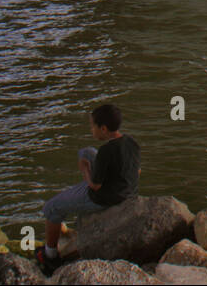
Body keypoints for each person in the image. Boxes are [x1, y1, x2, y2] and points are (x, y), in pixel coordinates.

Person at [38, 103, 140, 276]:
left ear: (104, 128)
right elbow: (137, 170)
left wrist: (84, 169)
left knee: (51, 207)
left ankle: (50, 257)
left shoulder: (106, 151)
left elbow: (94, 185)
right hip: (127, 191)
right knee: (87, 152)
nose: (91, 130)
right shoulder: (130, 141)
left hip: (103, 197)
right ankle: (61, 232)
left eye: (92, 126)